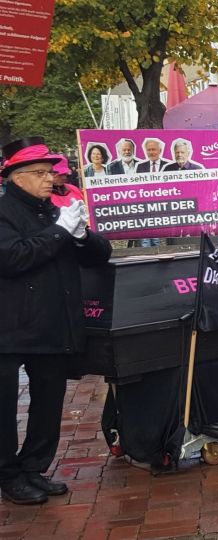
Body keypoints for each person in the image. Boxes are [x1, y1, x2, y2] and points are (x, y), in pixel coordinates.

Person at [0, 137, 112, 505]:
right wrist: (61, 230)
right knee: (3, 405)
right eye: (41, 172)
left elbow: (97, 257)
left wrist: (82, 237)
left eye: (51, 172)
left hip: (52, 322)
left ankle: (34, 467)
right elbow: (13, 258)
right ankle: (8, 474)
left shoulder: (52, 210)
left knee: (49, 399)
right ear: (16, 177)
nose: (50, 179)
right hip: (10, 326)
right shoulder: (4, 212)